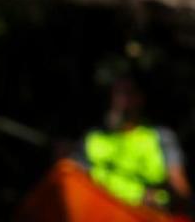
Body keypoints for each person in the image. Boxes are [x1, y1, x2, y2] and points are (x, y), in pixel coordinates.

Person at [79, 76, 189, 210]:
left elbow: (178, 184)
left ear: (140, 98)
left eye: (128, 93)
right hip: (98, 213)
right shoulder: (93, 138)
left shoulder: (159, 136)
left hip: (147, 217)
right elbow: (74, 179)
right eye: (117, 94)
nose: (122, 100)